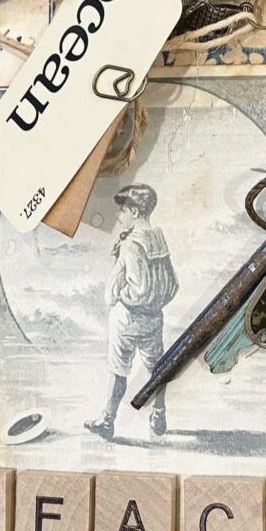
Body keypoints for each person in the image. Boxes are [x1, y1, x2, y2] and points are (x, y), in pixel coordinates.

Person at [85, 183, 178, 441]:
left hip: (127, 318)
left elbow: (130, 288)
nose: (119, 216)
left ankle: (108, 420)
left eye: (123, 210)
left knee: (118, 370)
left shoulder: (131, 244)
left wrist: (118, 295)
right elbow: (173, 284)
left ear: (136, 211)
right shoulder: (158, 238)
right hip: (153, 319)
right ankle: (158, 414)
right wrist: (154, 303)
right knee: (156, 369)